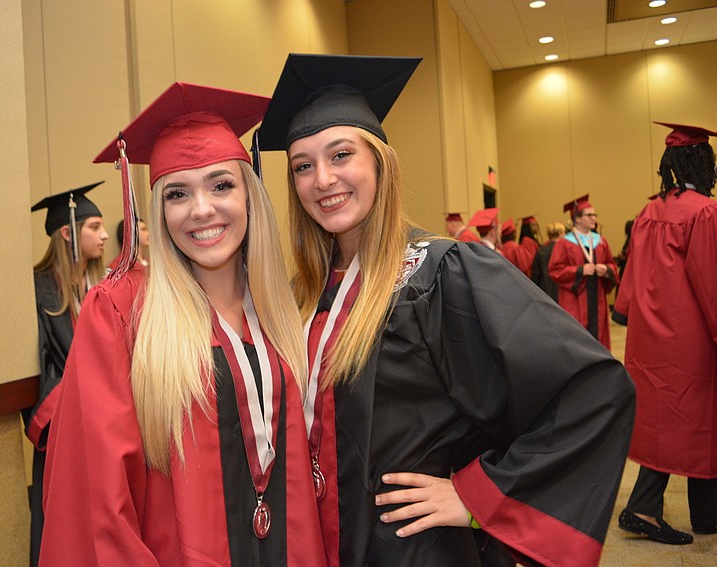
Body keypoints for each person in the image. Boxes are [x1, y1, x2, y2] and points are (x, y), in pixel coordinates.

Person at [257, 53, 635, 567]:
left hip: (412, 548)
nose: (322, 179)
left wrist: (476, 496)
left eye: (341, 155)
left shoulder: (442, 271)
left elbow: (592, 387)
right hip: (320, 542)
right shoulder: (304, 293)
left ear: (379, 161)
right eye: (303, 166)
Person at [38, 83, 327, 566]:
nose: (201, 209)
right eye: (178, 193)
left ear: (250, 193)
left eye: (221, 184)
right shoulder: (121, 313)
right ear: (158, 208)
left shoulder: (283, 308)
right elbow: (96, 505)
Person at [612, 121, 717, 545]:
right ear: (703, 161)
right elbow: (710, 281)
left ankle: (703, 512)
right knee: (699, 420)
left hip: (648, 338)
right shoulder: (703, 212)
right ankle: (671, 510)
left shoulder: (649, 210)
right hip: (688, 337)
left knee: (667, 424)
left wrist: (624, 313)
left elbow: (631, 276)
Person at [24, 181, 109, 566]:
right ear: (67, 232)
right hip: (64, 437)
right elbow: (38, 372)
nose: (105, 235)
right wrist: (84, 404)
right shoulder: (38, 292)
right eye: (93, 227)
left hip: (110, 433)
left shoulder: (105, 288)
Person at [548, 195, 618, 350]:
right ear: (577, 219)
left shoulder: (600, 241)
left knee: (598, 341)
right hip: (575, 300)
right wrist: (580, 270)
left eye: (595, 215)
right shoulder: (564, 243)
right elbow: (554, 270)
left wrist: (606, 270)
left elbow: (612, 266)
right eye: (589, 215)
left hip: (597, 298)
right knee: (577, 340)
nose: (594, 218)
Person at [531, 221, 565, 301]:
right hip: (560, 293)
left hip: (544, 293)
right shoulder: (564, 251)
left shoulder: (541, 251)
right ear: (560, 233)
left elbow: (535, 276)